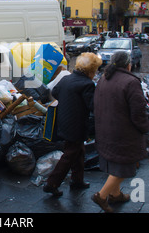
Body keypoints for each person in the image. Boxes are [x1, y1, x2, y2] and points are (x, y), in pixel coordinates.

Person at [91, 51, 149, 213]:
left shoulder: (104, 78)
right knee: (124, 167)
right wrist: (144, 128)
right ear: (128, 65)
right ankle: (101, 196)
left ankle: (115, 195)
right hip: (124, 133)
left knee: (114, 163)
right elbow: (138, 111)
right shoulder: (131, 82)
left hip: (105, 129)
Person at [43, 52, 102, 197]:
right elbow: (92, 106)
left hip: (64, 120)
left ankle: (77, 180)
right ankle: (51, 183)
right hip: (76, 124)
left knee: (79, 151)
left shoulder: (67, 79)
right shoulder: (87, 84)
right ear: (91, 70)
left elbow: (55, 92)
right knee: (70, 154)